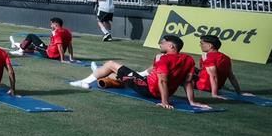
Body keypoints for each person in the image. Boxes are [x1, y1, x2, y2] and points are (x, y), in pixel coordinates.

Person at [70, 34, 210, 111]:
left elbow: (162, 80)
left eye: (163, 43)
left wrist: (164, 102)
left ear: (171, 46)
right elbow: (187, 82)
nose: (160, 44)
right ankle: (100, 73)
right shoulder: (188, 59)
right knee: (121, 73)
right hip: (154, 86)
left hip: (149, 89)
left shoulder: (163, 59)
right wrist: (192, 101)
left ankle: (85, 81)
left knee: (111, 63)